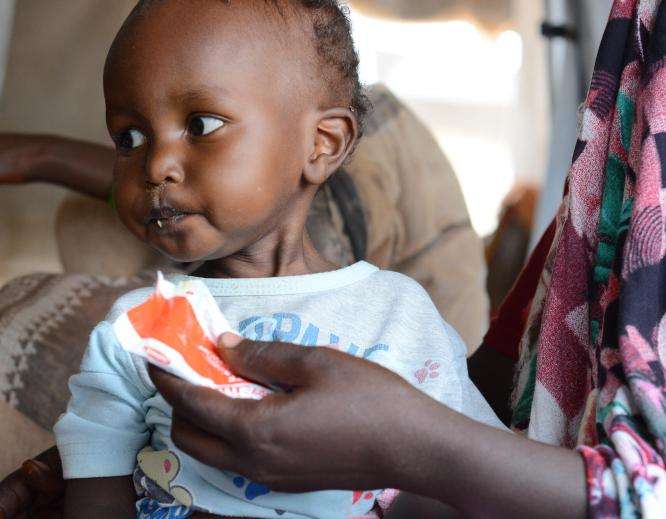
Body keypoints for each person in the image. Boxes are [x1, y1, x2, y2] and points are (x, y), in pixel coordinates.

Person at [45, 1, 503, 518]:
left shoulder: (398, 314)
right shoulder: (138, 324)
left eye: (201, 124)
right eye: (129, 137)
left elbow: (463, 484)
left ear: (321, 144)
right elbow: (95, 482)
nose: (156, 165)